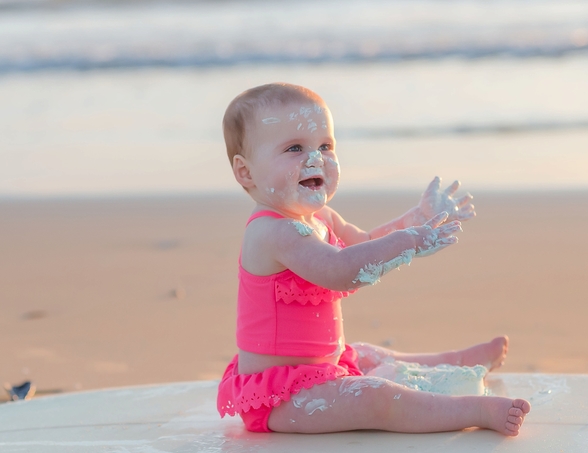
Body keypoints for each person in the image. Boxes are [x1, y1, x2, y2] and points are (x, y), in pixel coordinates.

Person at [217, 83, 530, 435]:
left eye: (325, 146)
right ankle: (474, 411)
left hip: (322, 373)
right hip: (280, 399)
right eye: (294, 148)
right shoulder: (272, 232)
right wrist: (407, 242)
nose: (315, 159)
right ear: (245, 172)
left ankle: (457, 363)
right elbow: (340, 270)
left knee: (368, 356)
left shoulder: (320, 219)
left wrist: (415, 220)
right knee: (375, 397)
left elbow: (365, 244)